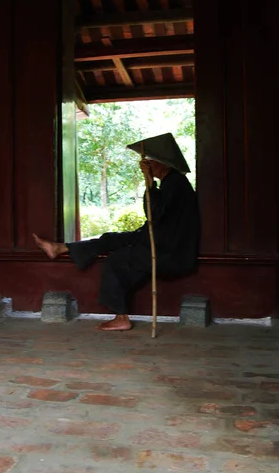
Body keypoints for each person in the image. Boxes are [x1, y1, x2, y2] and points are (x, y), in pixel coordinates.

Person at [33, 133, 199, 331]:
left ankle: (121, 317)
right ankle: (60, 248)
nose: (145, 164)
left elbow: (153, 215)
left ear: (163, 163)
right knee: (111, 239)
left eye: (149, 161)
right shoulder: (172, 182)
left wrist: (149, 184)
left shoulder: (176, 184)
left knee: (115, 261)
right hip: (157, 241)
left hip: (169, 253)